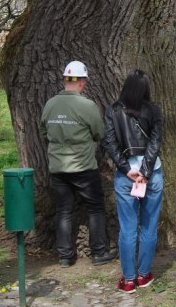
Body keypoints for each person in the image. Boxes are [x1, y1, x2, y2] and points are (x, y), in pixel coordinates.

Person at [40, 60, 116, 267]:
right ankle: (98, 252)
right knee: (96, 208)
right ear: (82, 82)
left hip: (57, 167)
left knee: (63, 210)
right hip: (83, 166)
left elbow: (43, 131)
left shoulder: (50, 104)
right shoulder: (87, 105)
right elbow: (99, 133)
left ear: (65, 80)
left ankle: (65, 256)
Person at [103, 69, 164, 294]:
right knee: (148, 227)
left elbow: (109, 142)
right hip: (152, 174)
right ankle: (143, 274)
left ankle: (128, 280)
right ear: (146, 88)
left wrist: (128, 169)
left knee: (128, 228)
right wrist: (145, 172)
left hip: (126, 177)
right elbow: (155, 143)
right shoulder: (154, 110)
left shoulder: (113, 110)